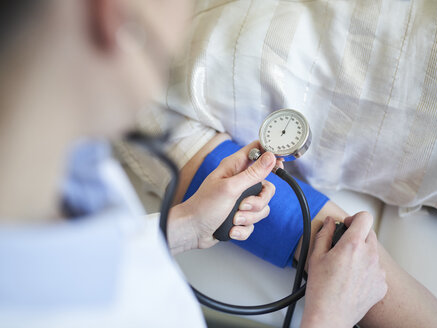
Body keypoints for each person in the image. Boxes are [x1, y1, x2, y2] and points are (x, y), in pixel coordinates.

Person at [0, 1, 388, 327]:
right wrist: (329, 315)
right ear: (116, 17)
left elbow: (80, 257)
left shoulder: (69, 161)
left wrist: (185, 225)